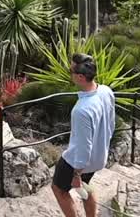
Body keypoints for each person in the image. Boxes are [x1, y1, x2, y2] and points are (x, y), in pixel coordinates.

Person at [51, 54, 116, 217]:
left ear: (80, 77)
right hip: (98, 157)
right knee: (86, 187)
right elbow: (111, 124)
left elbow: (83, 148)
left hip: (78, 162)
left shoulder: (81, 110)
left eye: (70, 71)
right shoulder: (106, 91)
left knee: (59, 189)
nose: (69, 74)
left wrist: (76, 174)